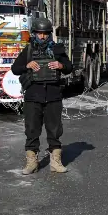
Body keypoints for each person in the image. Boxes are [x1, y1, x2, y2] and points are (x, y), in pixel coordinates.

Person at [11, 17, 73, 175]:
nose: (42, 36)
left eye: (45, 33)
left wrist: (60, 65)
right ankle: (32, 162)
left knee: (55, 130)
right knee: (32, 130)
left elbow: (69, 67)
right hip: (33, 96)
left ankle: (55, 162)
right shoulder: (29, 50)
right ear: (34, 33)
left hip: (53, 96)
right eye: (39, 33)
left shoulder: (57, 49)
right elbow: (15, 68)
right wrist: (27, 65)